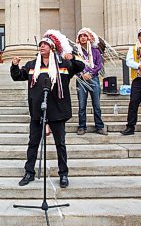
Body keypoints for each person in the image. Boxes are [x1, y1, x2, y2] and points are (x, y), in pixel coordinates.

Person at [11, 30, 85, 188]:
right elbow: (17, 76)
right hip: (38, 111)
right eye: (40, 45)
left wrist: (71, 57)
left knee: (60, 144)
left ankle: (63, 174)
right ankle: (29, 172)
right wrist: (14, 65)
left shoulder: (63, 65)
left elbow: (80, 66)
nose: (42, 46)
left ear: (52, 48)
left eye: (45, 44)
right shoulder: (32, 65)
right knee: (33, 143)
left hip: (57, 111)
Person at [74, 28, 106, 135]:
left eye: (85, 35)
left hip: (94, 79)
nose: (83, 37)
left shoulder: (95, 51)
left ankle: (99, 126)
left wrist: (90, 74)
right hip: (81, 80)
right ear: (78, 39)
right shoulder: (76, 52)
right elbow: (74, 66)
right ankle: (82, 126)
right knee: (81, 105)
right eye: (81, 36)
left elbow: (99, 65)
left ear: (89, 38)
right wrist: (82, 74)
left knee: (96, 105)